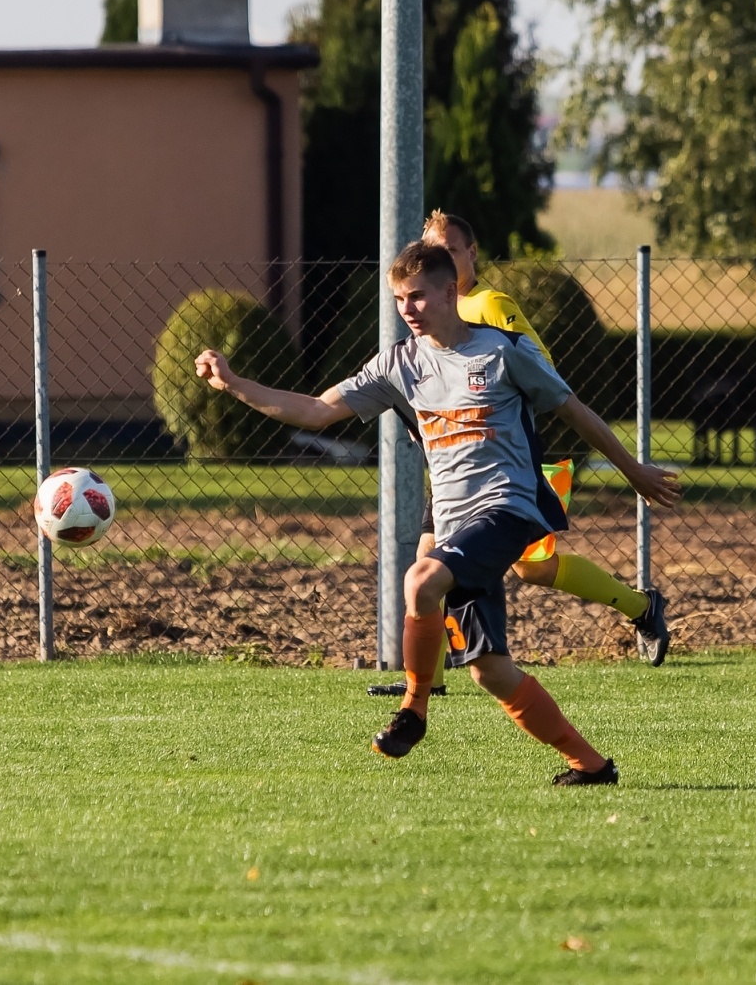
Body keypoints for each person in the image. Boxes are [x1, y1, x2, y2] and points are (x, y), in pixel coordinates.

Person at [195, 241, 681, 785]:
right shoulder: (400, 363)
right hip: (455, 525)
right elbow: (315, 410)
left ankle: (413, 708)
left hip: (507, 508)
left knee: (421, 577)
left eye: (418, 296)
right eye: (400, 298)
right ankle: (589, 764)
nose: (407, 308)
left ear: (450, 292)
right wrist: (235, 385)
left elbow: (574, 409)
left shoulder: (503, 351)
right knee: (490, 672)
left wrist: (631, 468)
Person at [368, 211, 670, 703]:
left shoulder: (490, 306)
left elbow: (540, 371)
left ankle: (640, 606)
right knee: (427, 562)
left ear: (471, 256)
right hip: (456, 467)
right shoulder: (424, 316)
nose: (438, 258)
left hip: (515, 462)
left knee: (532, 568)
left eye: (449, 250)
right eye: (430, 249)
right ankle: (425, 686)